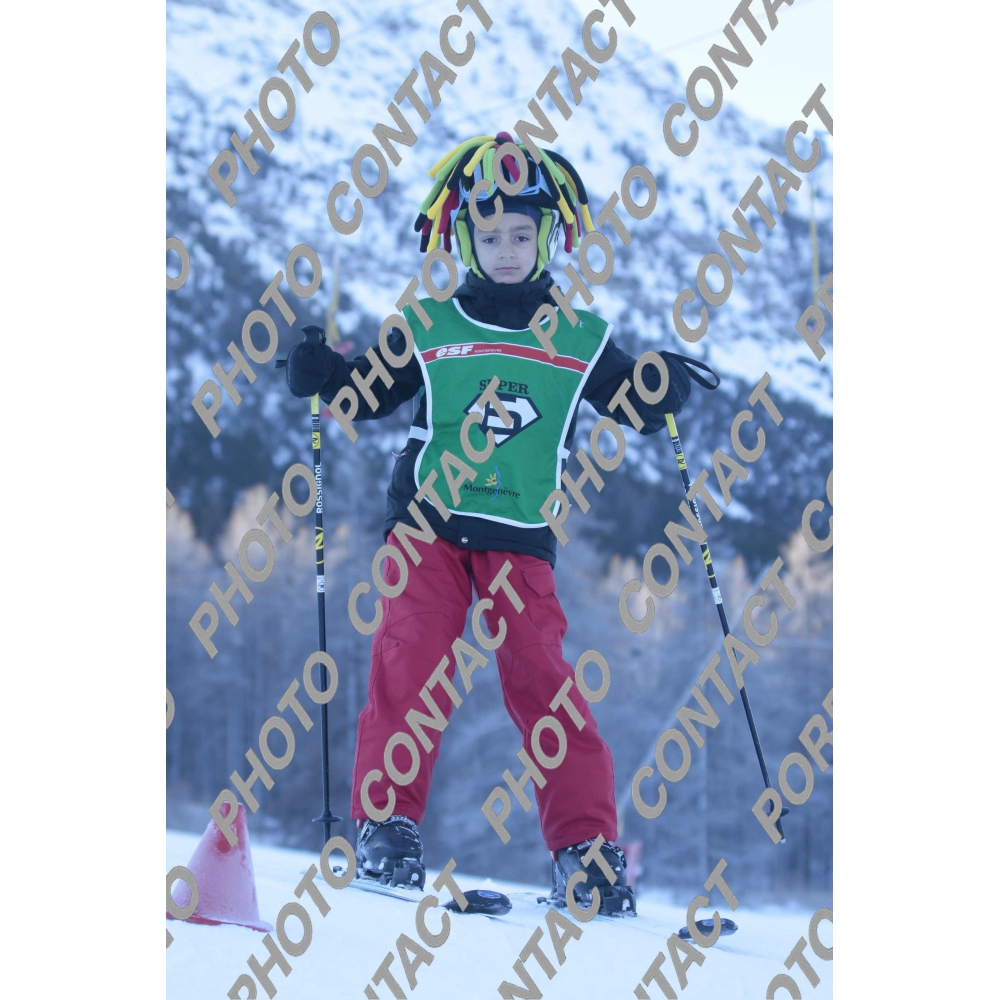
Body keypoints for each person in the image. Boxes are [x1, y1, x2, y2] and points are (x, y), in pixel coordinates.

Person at [283, 134, 715, 916]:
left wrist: (660, 389)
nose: (507, 250)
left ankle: (586, 854)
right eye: (491, 237)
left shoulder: (577, 338)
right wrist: (324, 376)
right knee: (409, 665)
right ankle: (386, 830)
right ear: (465, 241)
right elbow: (365, 393)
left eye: (522, 235)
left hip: (519, 538)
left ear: (548, 238)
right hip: (427, 527)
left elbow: (634, 401)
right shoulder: (428, 325)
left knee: (542, 681)